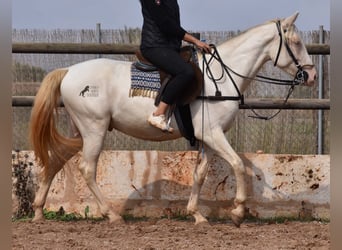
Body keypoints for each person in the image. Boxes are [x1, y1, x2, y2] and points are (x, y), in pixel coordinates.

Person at [139, 0, 211, 132]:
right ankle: (158, 114)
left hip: (169, 47)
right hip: (154, 46)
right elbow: (166, 25)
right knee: (186, 72)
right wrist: (195, 41)